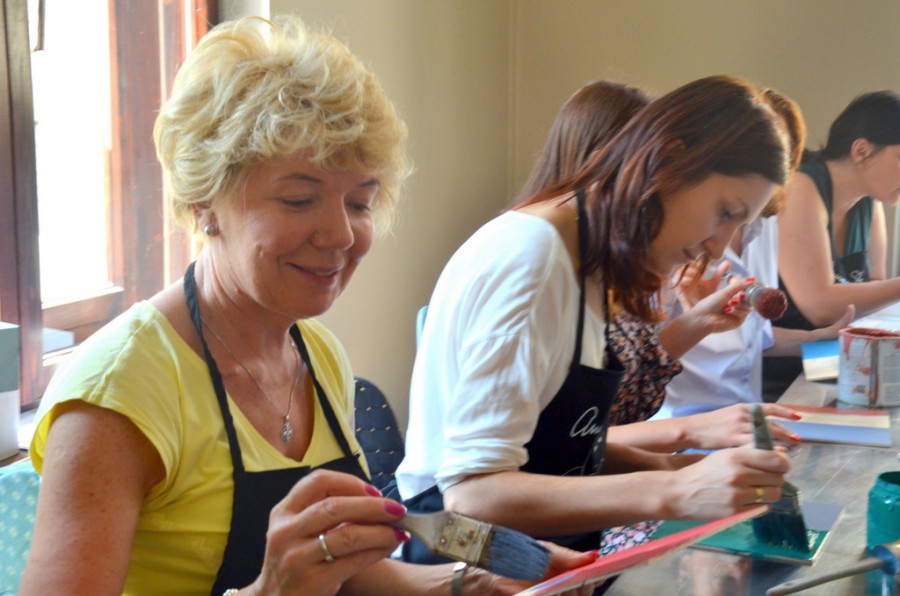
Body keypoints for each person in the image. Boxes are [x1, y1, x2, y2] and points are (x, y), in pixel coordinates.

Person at [19, 16, 591, 596]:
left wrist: (475, 582)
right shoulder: (119, 395)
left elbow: (352, 568)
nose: (340, 235)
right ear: (204, 204)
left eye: (360, 203)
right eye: (298, 199)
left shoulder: (316, 353)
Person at [394, 75, 793, 564]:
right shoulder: (533, 259)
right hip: (456, 557)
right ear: (669, 160)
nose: (718, 246)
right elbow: (473, 496)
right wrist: (674, 490)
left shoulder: (586, 254)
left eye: (739, 225)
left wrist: (681, 471)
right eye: (725, 212)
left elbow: (564, 445)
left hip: (547, 552)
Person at [658, 89, 856, 418]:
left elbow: (757, 338)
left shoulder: (765, 226)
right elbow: (640, 369)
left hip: (746, 415)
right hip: (685, 421)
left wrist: (819, 339)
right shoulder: (680, 238)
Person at [764, 90, 900, 399]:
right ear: (862, 150)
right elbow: (820, 306)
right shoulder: (802, 187)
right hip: (775, 374)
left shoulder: (870, 201)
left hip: (826, 365)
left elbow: (873, 293)